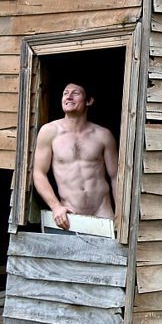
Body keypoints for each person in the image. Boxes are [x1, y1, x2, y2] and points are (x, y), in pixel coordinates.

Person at [33, 81, 119, 231]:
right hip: (68, 216)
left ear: (89, 101)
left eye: (76, 93)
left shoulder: (103, 135)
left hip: (103, 212)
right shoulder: (49, 132)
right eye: (65, 93)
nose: (69, 97)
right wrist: (56, 207)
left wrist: (121, 213)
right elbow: (39, 173)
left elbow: (116, 177)